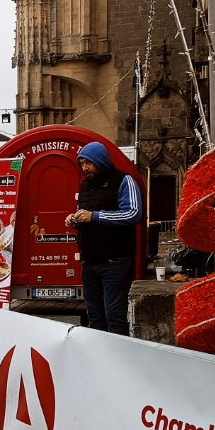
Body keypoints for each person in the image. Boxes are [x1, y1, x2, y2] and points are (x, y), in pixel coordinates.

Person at [65, 141, 142, 336]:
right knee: (95, 318)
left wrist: (95, 216)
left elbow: (133, 214)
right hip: (90, 262)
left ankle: (119, 361)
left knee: (114, 317)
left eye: (88, 163)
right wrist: (75, 220)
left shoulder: (124, 181)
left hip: (115, 262)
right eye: (82, 164)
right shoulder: (85, 186)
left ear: (99, 160)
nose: (85, 168)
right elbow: (84, 214)